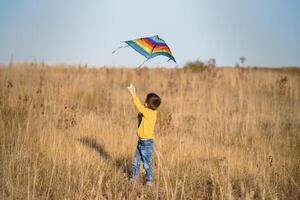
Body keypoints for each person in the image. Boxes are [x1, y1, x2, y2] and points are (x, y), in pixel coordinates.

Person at [127, 83, 161, 186]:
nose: (144, 102)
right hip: (141, 141)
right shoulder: (148, 113)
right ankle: (134, 177)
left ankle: (149, 180)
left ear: (148, 104)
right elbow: (141, 122)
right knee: (136, 161)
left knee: (146, 163)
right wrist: (140, 118)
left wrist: (133, 94)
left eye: (145, 100)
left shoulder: (149, 112)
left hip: (147, 143)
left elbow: (138, 105)